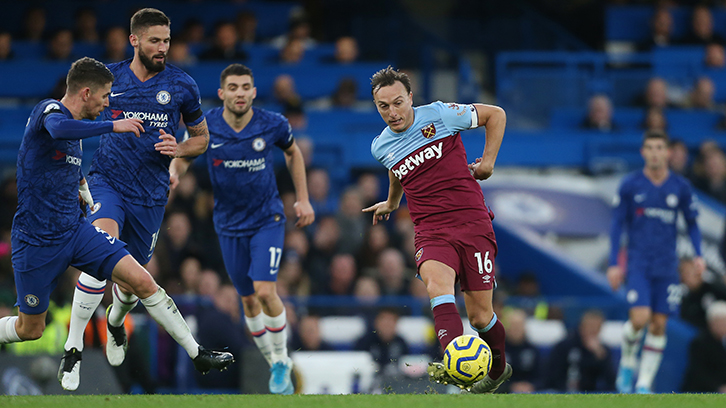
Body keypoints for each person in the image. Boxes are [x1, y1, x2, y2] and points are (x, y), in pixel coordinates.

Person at [0, 57, 233, 389]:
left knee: (143, 281)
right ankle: (73, 345)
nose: (109, 103)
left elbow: (64, 166)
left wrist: (82, 191)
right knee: (30, 329)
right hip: (35, 241)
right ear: (86, 92)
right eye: (105, 96)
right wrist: (114, 125)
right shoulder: (49, 111)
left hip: (75, 232)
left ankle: (199, 355)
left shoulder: (77, 130)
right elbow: (57, 129)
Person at [59, 8, 212, 391]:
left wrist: (178, 148)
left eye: (167, 41)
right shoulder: (110, 79)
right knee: (99, 252)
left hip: (151, 197)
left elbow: (202, 138)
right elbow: (74, 115)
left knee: (129, 286)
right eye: (155, 40)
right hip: (107, 183)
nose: (162, 48)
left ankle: (114, 322)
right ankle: (73, 346)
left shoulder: (182, 86)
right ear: (134, 40)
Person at [363, 66, 509, 393]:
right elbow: (396, 169)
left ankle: (498, 369)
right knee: (436, 285)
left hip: (472, 222)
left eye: (398, 102)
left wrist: (487, 162)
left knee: (481, 316)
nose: (392, 112)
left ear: (411, 97)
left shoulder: (441, 115)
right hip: (430, 229)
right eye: (383, 106)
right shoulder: (380, 146)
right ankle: (455, 364)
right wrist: (391, 201)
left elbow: (496, 115)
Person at [198, 63, 314, 394]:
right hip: (228, 225)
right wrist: (174, 170)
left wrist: (303, 199)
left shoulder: (273, 123)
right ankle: (275, 362)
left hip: (267, 220)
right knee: (248, 302)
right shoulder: (207, 125)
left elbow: (293, 154)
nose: (239, 93)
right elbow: (186, 152)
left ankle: (281, 361)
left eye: (245, 86)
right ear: (222, 93)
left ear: (253, 92)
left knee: (265, 291)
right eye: (232, 87)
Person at [607, 130, 705, 394]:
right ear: (643, 152)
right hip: (638, 263)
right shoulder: (631, 185)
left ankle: (644, 383)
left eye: (659, 147)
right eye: (649, 147)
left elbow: (693, 223)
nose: (654, 152)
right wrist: (614, 262)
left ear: (668, 153)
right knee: (640, 318)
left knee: (659, 324)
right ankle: (627, 365)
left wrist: (698, 254)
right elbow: (617, 225)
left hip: (667, 265)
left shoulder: (680, 187)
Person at [544, 310, 615, 392]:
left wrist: (601, 357)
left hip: (589, 396)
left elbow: (611, 382)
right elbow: (551, 374)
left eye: (596, 327)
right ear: (581, 326)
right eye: (590, 326)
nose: (593, 330)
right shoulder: (564, 346)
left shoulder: (603, 351)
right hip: (561, 392)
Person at [681, 300, 726, 393]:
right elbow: (698, 372)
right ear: (711, 323)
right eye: (720, 322)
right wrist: (719, 387)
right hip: (699, 390)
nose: (723, 326)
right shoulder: (700, 342)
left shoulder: (723, 343)